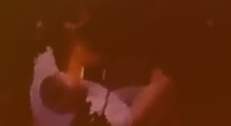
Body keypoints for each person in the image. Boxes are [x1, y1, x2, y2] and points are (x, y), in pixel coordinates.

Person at [30, 46, 172, 125]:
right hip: (129, 118)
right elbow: (132, 120)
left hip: (123, 103)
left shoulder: (78, 86)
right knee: (165, 82)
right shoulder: (85, 117)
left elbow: (80, 54)